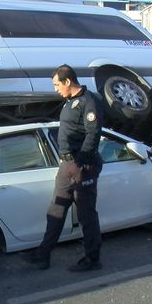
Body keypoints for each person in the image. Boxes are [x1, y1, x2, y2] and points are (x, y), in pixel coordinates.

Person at [22, 64, 104, 271]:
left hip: (82, 164)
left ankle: (92, 259)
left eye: (57, 84)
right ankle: (43, 254)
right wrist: (65, 161)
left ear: (68, 81)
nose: (56, 89)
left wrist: (78, 164)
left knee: (86, 214)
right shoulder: (70, 102)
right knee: (56, 209)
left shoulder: (89, 101)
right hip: (67, 164)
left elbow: (92, 135)